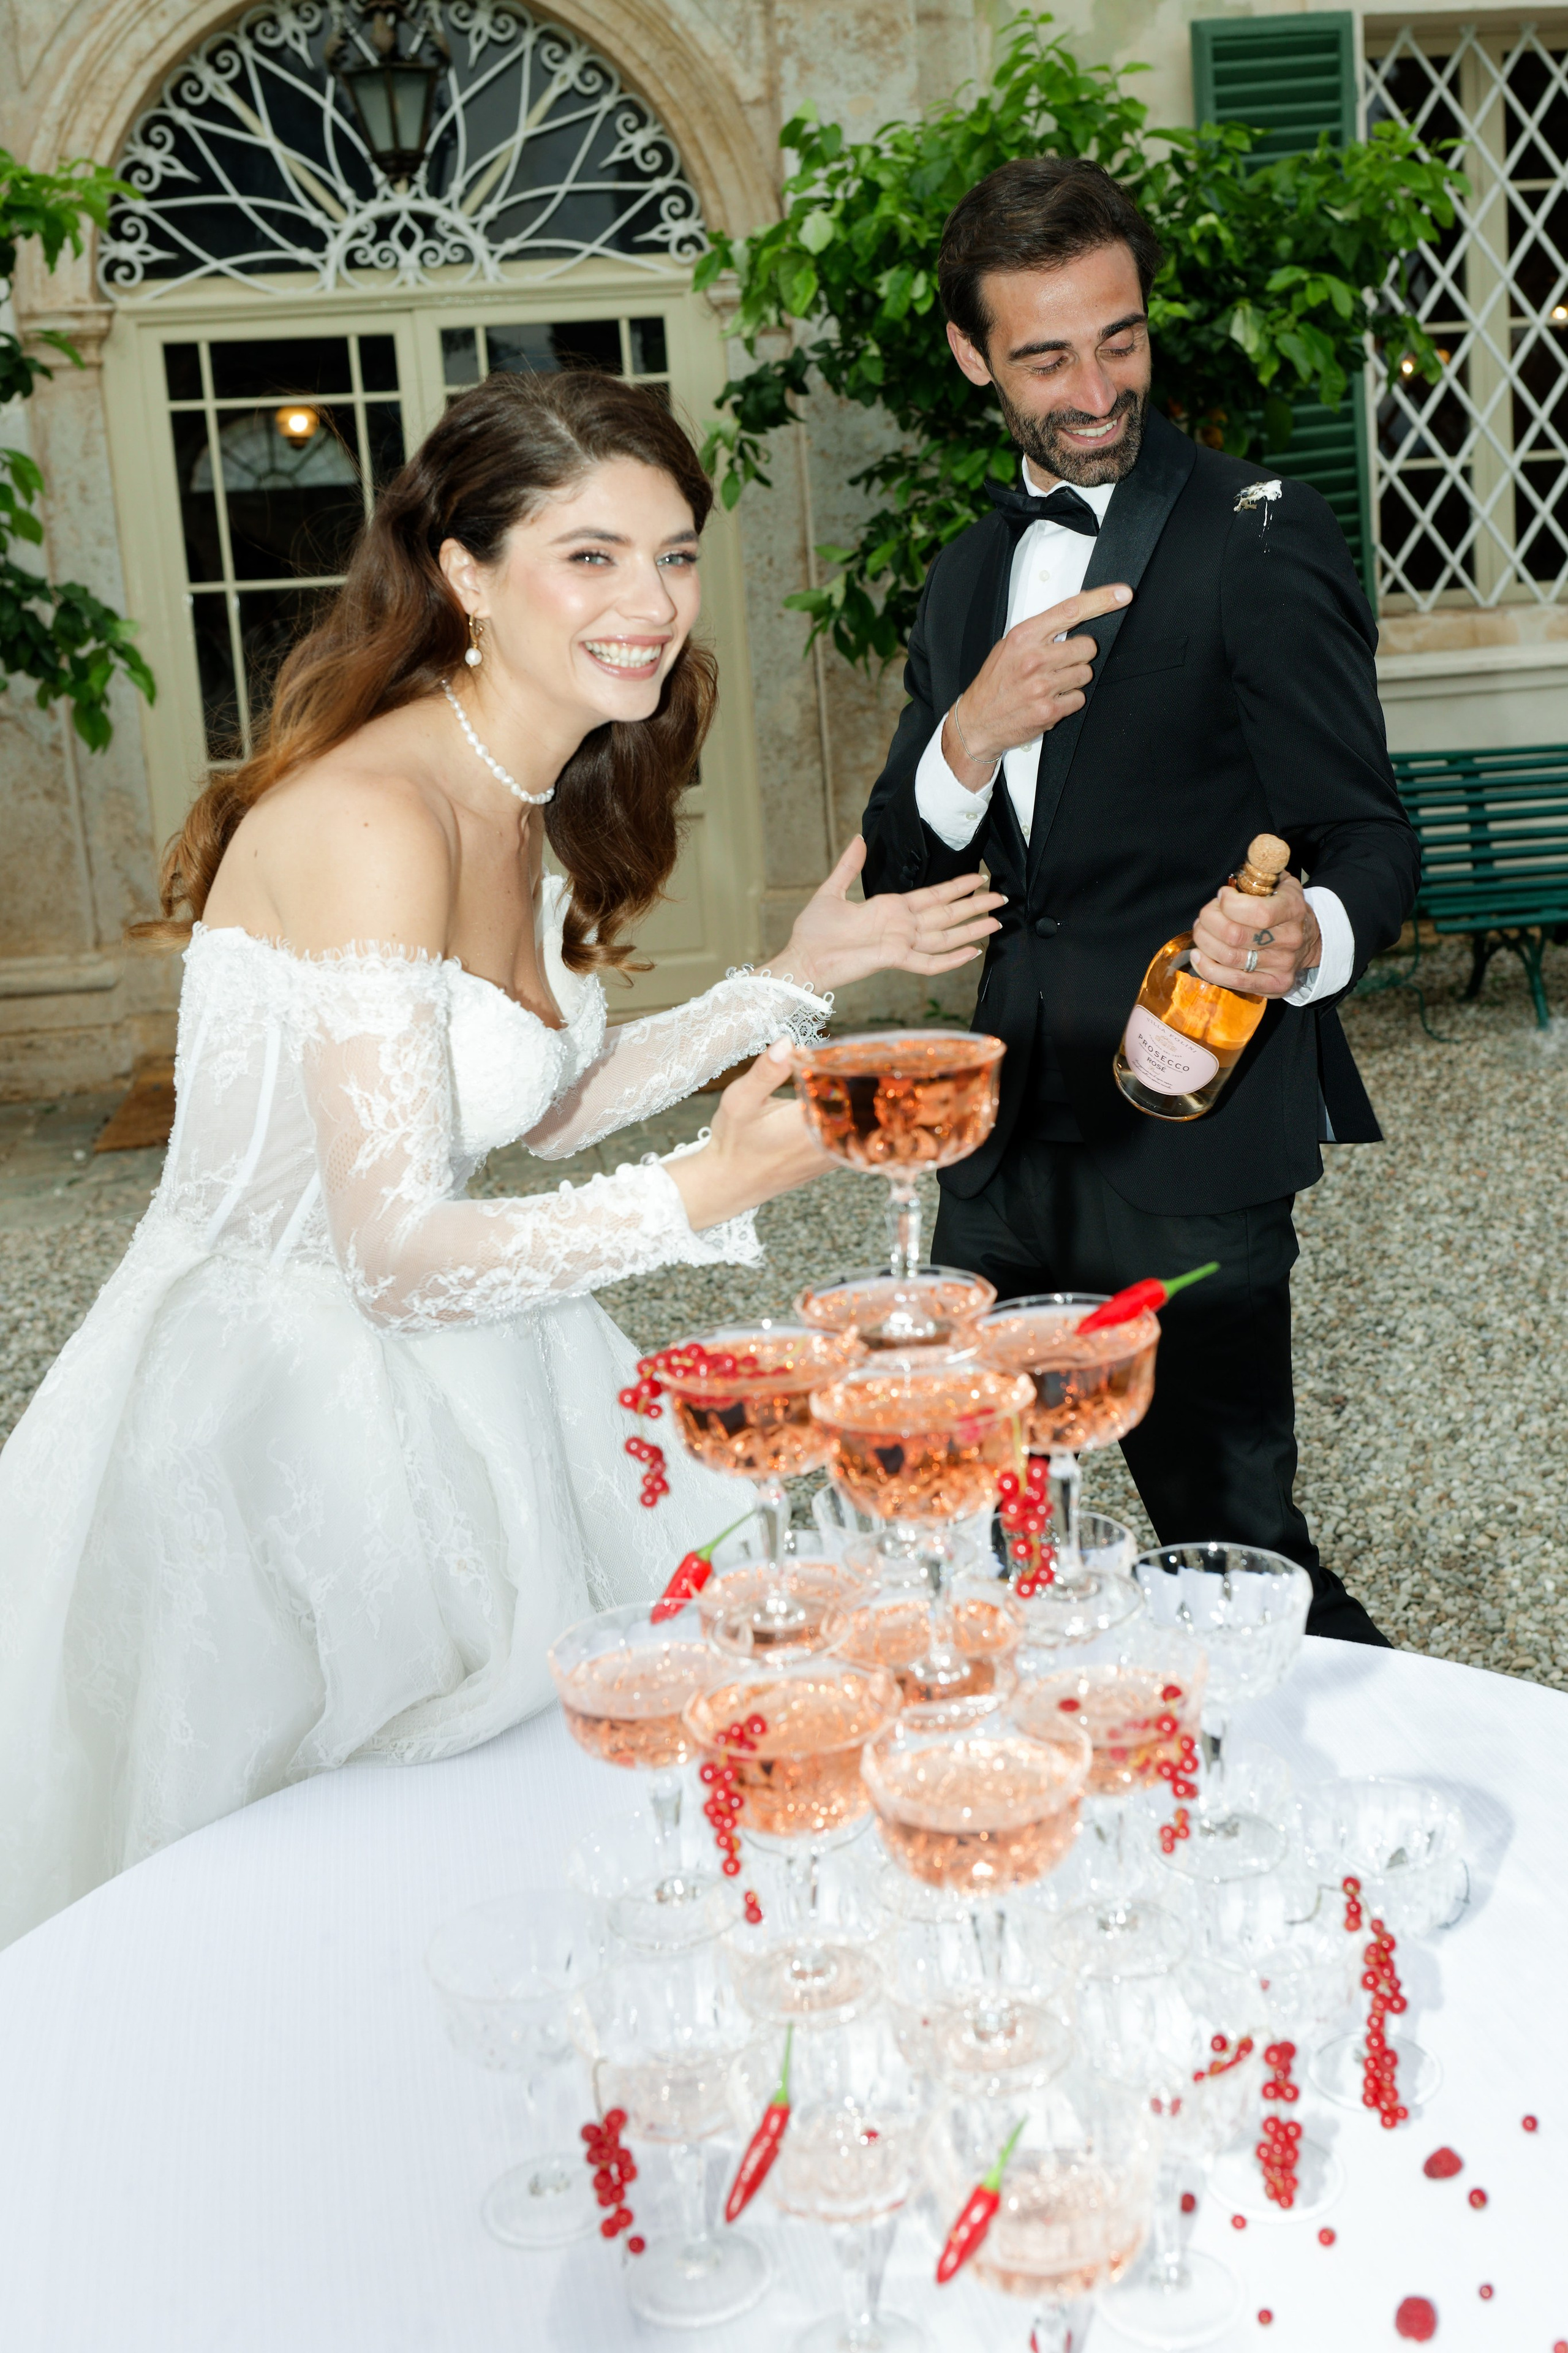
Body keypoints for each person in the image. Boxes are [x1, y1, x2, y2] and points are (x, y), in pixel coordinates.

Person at [0, 369, 1003, 1944]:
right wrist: (710, 1188)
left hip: (458, 1344)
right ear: (465, 573)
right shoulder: (377, 818)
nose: (650, 604)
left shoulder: (516, 789)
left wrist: (796, 974)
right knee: (340, 1884)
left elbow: (540, 1103)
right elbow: (395, 1257)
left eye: (673, 555)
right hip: (279, 1405)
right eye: (589, 556)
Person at [862, 157, 1420, 1645]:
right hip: (993, 1149)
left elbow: (1366, 835)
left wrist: (1308, 937)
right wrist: (965, 735)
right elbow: (903, 871)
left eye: (1118, 339)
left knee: (1232, 1556)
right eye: (1045, 357)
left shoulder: (1258, 531)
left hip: (1188, 1126)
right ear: (971, 356)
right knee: (965, 1542)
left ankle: (1392, 1780)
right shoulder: (962, 578)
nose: (1096, 388)